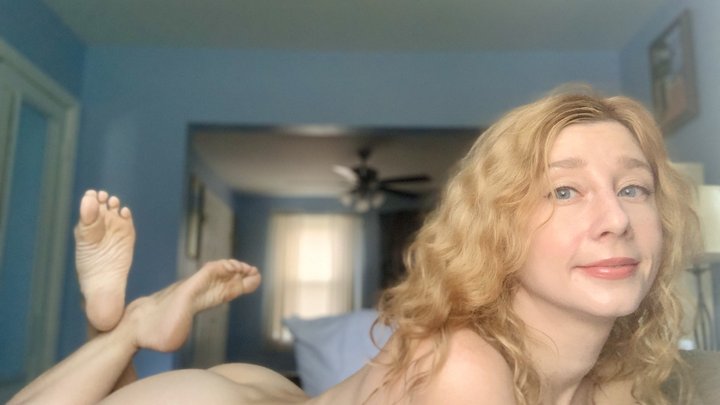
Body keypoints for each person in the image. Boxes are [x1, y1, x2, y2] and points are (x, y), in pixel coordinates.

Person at [11, 85, 702, 405]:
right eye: (565, 190)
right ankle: (131, 324)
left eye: (634, 188)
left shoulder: (618, 372)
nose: (615, 219)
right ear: (500, 227)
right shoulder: (469, 369)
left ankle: (120, 326)